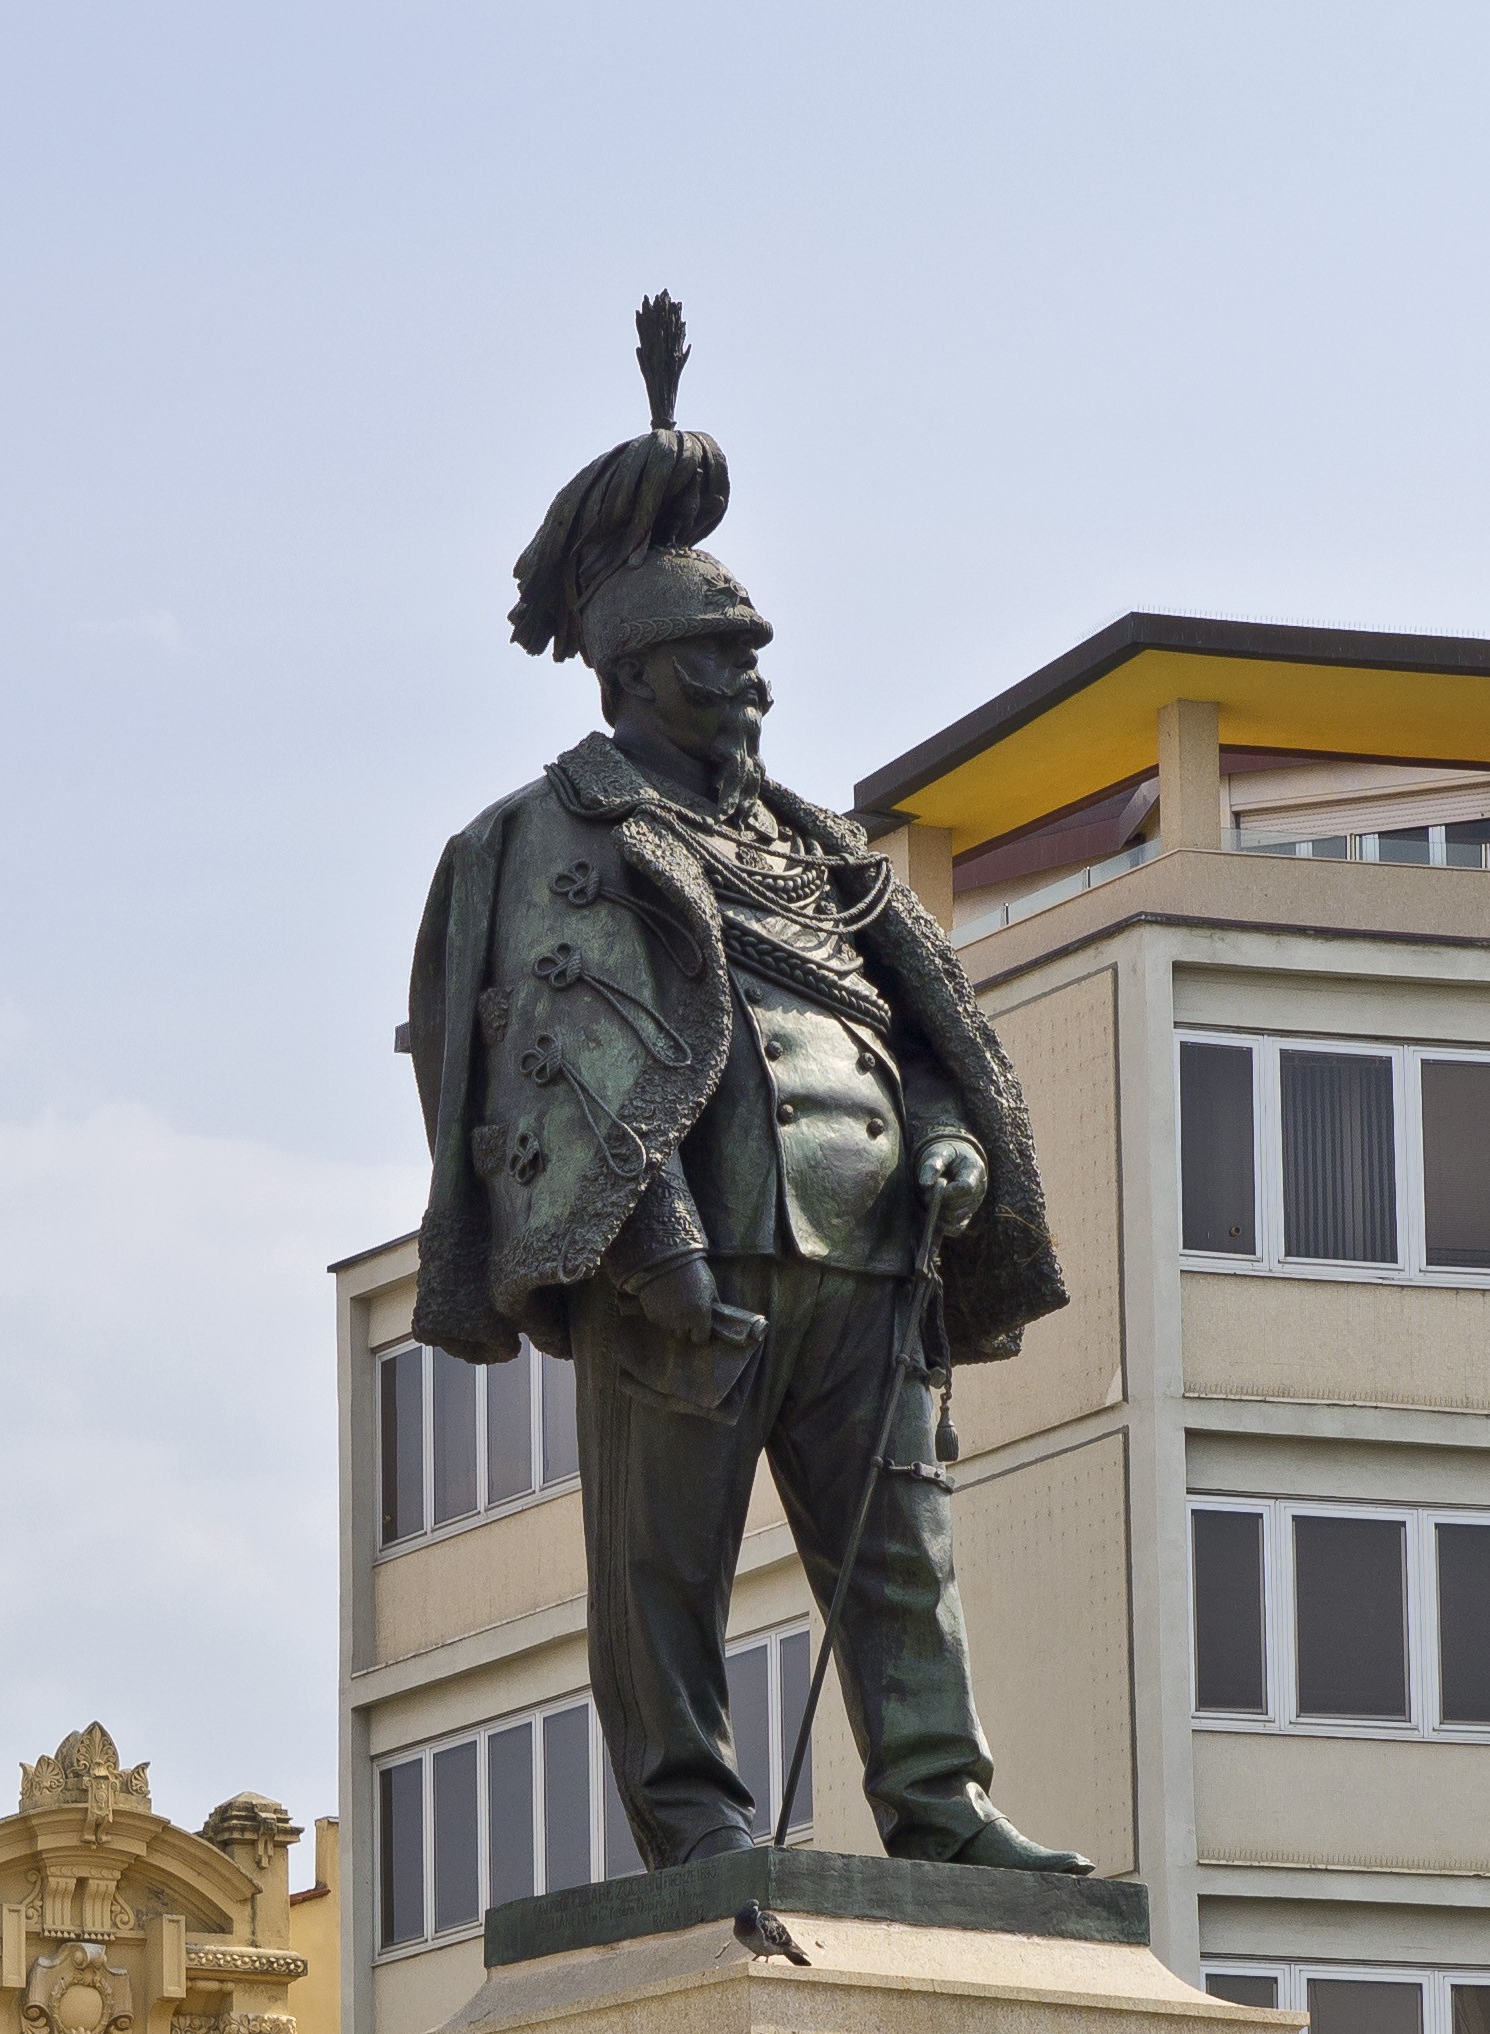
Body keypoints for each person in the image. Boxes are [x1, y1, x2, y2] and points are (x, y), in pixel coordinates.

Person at [399, 299, 1088, 1876]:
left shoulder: (809, 844)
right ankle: (695, 1821)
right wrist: (647, 1246)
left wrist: (942, 1143)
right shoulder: (548, 833)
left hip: (866, 1260)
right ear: (636, 672)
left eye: (757, 654)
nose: (753, 682)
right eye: (722, 658)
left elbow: (902, 1030)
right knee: (666, 1570)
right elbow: (542, 1052)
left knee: (900, 1551)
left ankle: (939, 1802)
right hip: (685, 1259)